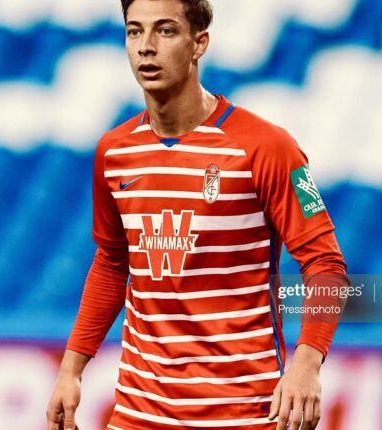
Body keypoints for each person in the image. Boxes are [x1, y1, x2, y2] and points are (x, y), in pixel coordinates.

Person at [46, 1, 349, 429]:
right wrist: (70, 370)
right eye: (135, 32)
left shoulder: (266, 147)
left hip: (243, 412)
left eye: (165, 31)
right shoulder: (115, 153)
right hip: (139, 413)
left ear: (198, 43)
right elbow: (113, 263)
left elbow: (326, 265)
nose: (146, 47)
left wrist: (307, 362)